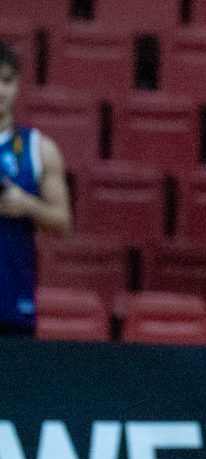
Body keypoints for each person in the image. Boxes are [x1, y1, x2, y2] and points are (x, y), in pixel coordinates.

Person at [0, 40, 72, 337]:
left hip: (13, 304)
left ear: (18, 86)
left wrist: (27, 205)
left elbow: (63, 223)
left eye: (7, 81)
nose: (0, 91)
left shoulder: (39, 148)